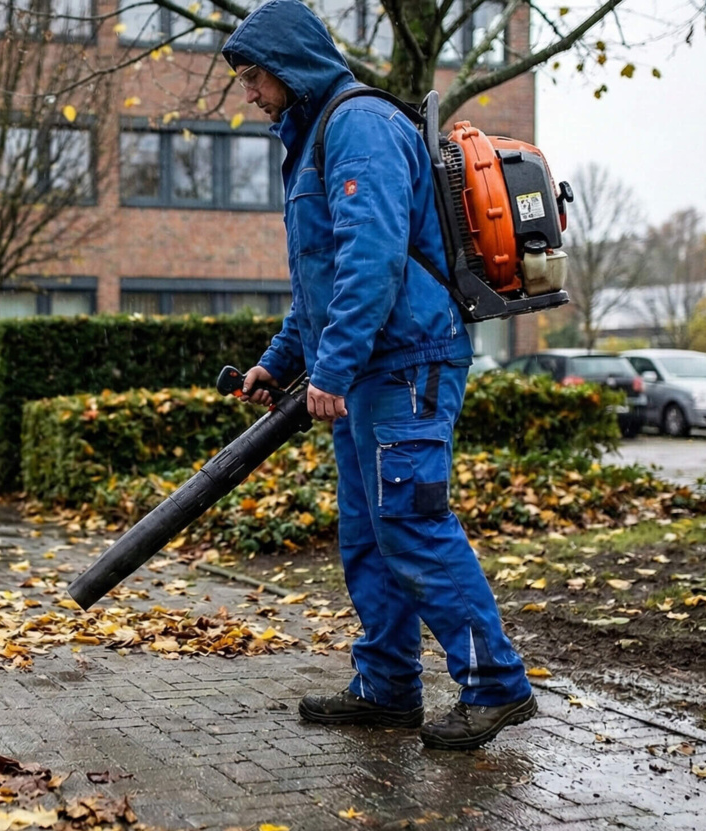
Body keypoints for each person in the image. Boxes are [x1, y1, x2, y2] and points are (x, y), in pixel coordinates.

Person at [221, 0, 536, 750]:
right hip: (373, 368)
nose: (247, 93)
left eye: (253, 76)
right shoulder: (317, 137)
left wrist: (333, 365)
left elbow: (374, 258)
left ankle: (497, 684)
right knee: (369, 532)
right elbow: (324, 285)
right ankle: (388, 685)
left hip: (408, 363)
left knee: (412, 523)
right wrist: (279, 361)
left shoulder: (358, 126)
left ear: (289, 66)